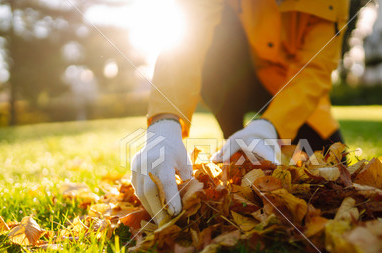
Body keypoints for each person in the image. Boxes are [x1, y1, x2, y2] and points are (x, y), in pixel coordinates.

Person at [131, 0, 350, 224]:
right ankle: (234, 154)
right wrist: (164, 122)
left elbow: (315, 69)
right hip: (236, 72)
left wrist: (271, 126)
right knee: (218, 36)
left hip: (293, 92)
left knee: (337, 168)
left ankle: (256, 141)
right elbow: (188, 34)